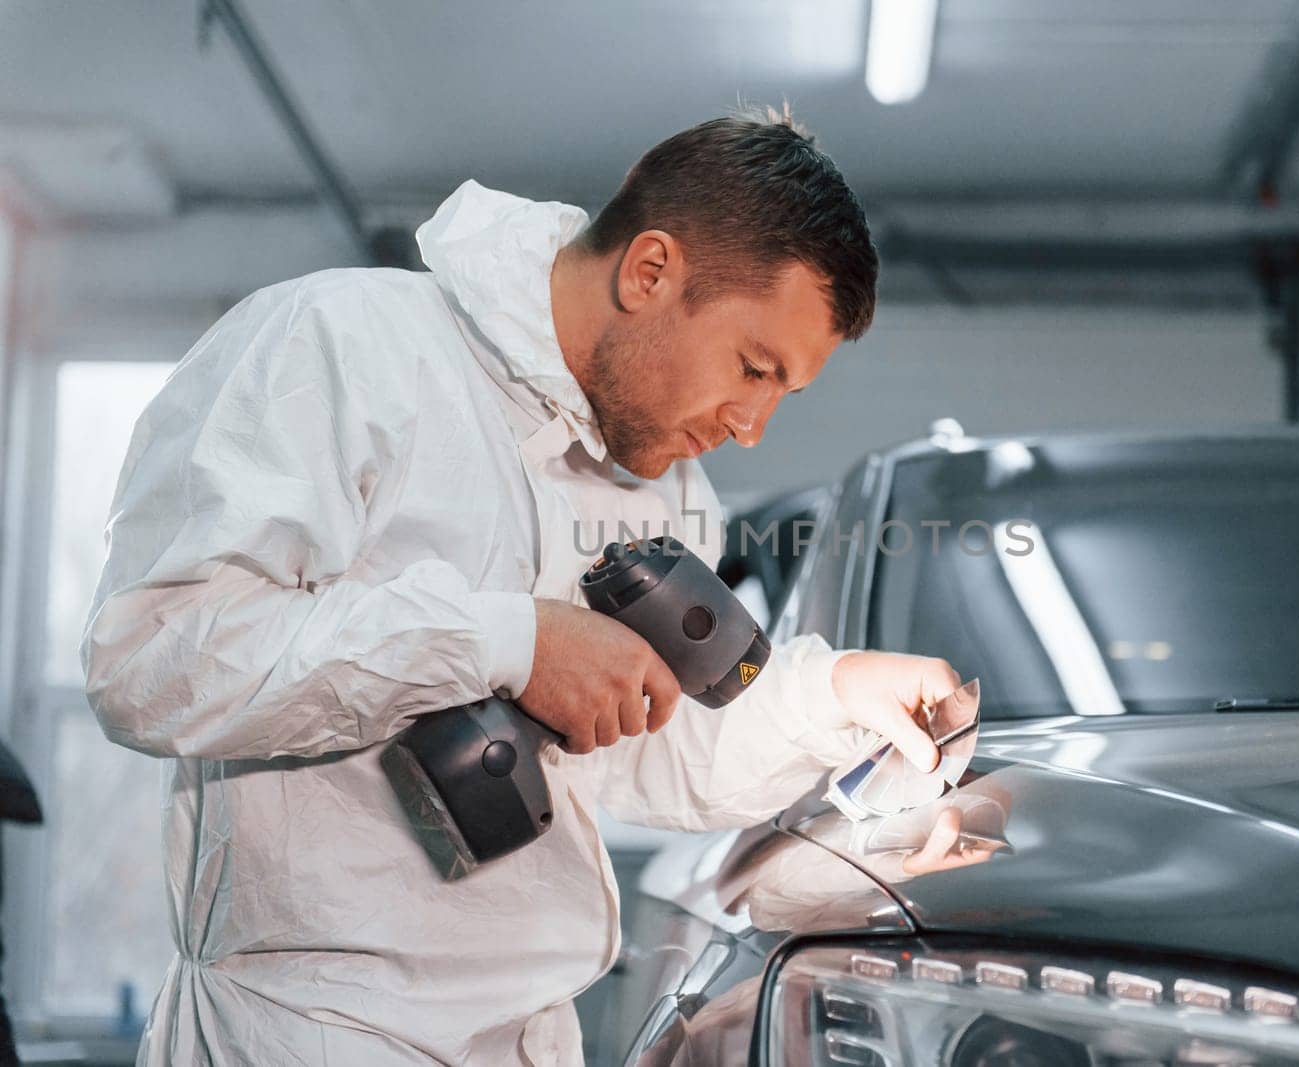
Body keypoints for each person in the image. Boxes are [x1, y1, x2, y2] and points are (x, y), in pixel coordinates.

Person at [80, 106, 958, 1065]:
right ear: (650, 271)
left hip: (534, 1035)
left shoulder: (664, 487)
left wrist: (830, 696)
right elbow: (153, 661)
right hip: (307, 1033)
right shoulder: (340, 347)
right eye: (753, 368)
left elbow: (654, 749)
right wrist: (507, 645)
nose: (753, 425)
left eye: (781, 391)